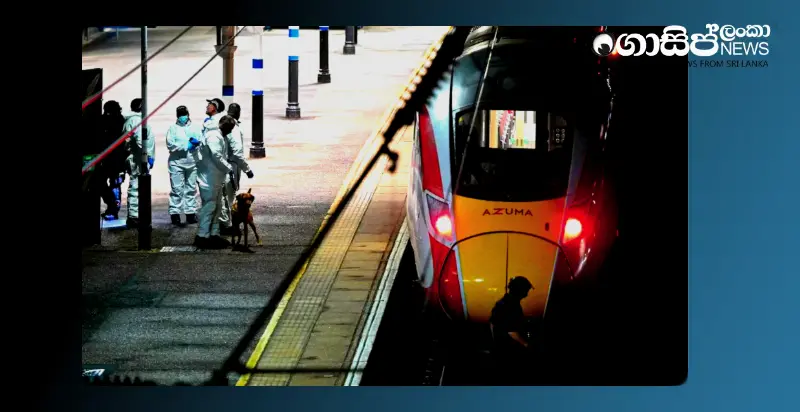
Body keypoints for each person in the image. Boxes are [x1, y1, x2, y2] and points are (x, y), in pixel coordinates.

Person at [194, 115, 236, 249]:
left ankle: (213, 234)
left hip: (215, 178)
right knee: (209, 208)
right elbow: (216, 156)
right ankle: (202, 236)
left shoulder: (219, 136)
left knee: (217, 208)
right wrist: (229, 168)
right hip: (208, 179)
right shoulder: (214, 137)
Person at [489, 276, 534, 384]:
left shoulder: (501, 302)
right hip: (508, 352)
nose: (527, 294)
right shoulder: (513, 306)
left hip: (499, 348)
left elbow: (492, 323)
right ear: (521, 291)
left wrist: (494, 341)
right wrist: (526, 344)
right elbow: (512, 331)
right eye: (526, 291)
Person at [218, 103, 255, 234]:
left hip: (219, 166)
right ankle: (227, 225)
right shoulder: (235, 128)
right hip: (231, 165)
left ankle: (222, 223)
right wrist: (247, 169)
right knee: (229, 196)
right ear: (238, 114)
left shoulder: (220, 124)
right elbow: (238, 153)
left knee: (221, 196)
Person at [166, 106, 203, 226]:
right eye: (180, 114)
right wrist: (186, 145)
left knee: (191, 189)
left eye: (184, 114)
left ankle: (190, 213)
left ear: (188, 114)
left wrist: (197, 143)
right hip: (177, 163)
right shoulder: (173, 129)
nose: (182, 117)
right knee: (177, 190)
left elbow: (202, 140)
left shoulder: (196, 128)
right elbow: (170, 145)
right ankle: (175, 214)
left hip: (192, 163)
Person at [122, 98, 155, 229]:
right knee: (136, 186)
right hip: (138, 158)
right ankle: (134, 216)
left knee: (136, 186)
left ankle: (134, 215)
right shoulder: (136, 120)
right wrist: (146, 156)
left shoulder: (134, 120)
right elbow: (140, 139)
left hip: (137, 157)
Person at [99, 100, 127, 221]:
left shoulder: (115, 121)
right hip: (115, 159)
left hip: (113, 159)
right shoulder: (121, 121)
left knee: (112, 184)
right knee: (113, 184)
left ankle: (113, 209)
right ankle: (113, 208)